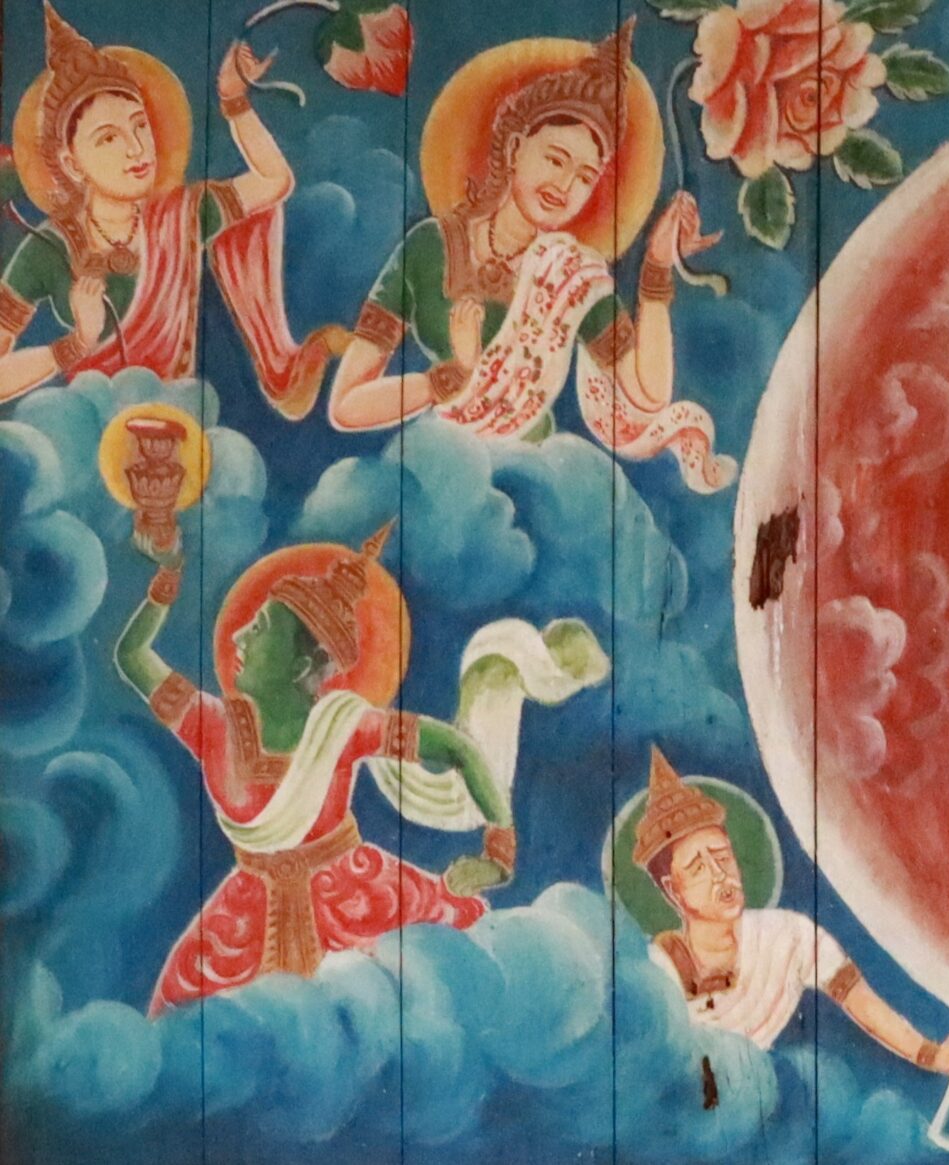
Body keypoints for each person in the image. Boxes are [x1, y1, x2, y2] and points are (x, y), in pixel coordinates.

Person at [116, 519, 607, 1013]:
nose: (239, 638)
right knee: (183, 1022)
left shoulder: (345, 725)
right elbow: (133, 656)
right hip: (243, 920)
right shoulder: (213, 726)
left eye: (260, 629)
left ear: (300, 665)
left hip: (355, 903)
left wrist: (498, 854)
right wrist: (169, 575)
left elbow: (460, 749)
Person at [324, 22, 732, 494]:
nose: (565, 186)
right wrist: (453, 376)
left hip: (539, 478)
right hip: (441, 470)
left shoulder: (572, 275)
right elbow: (347, 405)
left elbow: (647, 395)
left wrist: (656, 269)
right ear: (516, 148)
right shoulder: (428, 247)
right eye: (556, 159)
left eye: (585, 177)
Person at [0, 4, 340, 413]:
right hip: (86, 425)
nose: (136, 148)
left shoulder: (179, 219)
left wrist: (234, 101)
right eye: (108, 138)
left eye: (140, 125)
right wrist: (76, 344)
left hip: (172, 421)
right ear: (72, 164)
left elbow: (273, 182)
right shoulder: (47, 251)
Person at [626, 748, 949, 1070]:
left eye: (723, 857)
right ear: (672, 890)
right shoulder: (659, 974)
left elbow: (861, 1001)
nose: (720, 875)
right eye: (698, 868)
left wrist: (932, 1055)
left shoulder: (787, 937)